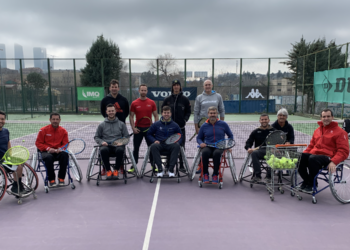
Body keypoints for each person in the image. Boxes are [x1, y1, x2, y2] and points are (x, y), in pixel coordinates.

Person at [298, 109, 349, 192]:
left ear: (332, 117)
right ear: (321, 118)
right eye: (324, 116)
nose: (326, 118)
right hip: (314, 155)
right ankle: (307, 181)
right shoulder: (317, 131)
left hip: (328, 157)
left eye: (328, 116)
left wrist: (333, 161)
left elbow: (344, 151)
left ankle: (312, 184)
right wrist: (303, 155)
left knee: (312, 158)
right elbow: (311, 146)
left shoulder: (341, 132)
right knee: (300, 158)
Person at [194, 79, 225, 173]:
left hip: (216, 124)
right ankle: (201, 165)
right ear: (203, 86)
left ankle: (216, 167)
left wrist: (221, 124)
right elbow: (196, 113)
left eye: (209, 85)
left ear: (212, 86)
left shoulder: (218, 96)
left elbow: (222, 110)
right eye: (206, 85)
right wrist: (196, 127)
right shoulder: (199, 97)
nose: (207, 86)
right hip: (203, 125)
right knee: (203, 146)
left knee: (216, 145)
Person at [197, 107, 233, 184]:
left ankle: (215, 174)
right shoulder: (204, 126)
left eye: (214, 113)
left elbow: (230, 136)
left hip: (220, 146)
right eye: (211, 113)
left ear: (217, 114)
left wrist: (229, 146)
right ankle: (205, 173)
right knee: (205, 153)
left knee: (216, 153)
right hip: (208, 146)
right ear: (208, 114)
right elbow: (199, 138)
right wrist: (201, 143)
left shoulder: (223, 124)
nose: (213, 115)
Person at [162, 80, 191, 170]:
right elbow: (163, 110)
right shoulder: (167, 99)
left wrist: (185, 120)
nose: (176, 87)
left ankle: (182, 165)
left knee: (181, 146)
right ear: (172, 87)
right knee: (169, 145)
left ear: (180, 87)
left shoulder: (185, 99)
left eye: (177, 85)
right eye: (174, 85)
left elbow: (188, 111)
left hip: (181, 128)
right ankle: (168, 164)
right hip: (169, 129)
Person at [94, 104, 129, 180]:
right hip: (106, 146)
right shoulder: (101, 125)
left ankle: (116, 170)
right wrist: (102, 142)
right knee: (103, 150)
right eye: (109, 111)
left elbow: (126, 137)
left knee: (120, 150)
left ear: (115, 111)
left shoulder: (121, 124)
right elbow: (97, 137)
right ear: (106, 112)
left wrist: (121, 142)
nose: (111, 112)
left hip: (118, 146)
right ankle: (108, 170)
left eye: (112, 111)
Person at [146, 106, 183, 178]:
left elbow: (180, 135)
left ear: (171, 114)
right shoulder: (156, 124)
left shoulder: (175, 125)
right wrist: (154, 140)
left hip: (171, 145)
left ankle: (171, 169)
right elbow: (149, 134)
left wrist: (177, 142)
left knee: (177, 146)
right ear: (162, 113)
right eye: (165, 113)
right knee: (153, 146)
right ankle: (160, 169)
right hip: (159, 145)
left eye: (168, 113)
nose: (166, 114)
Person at [129, 84, 158, 171]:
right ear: (139, 91)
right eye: (142, 90)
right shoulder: (134, 103)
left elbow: (156, 116)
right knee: (136, 148)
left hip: (149, 130)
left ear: (147, 91)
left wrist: (154, 128)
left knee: (151, 148)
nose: (143, 92)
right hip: (138, 129)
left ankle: (153, 165)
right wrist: (133, 128)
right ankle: (134, 165)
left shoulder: (152, 102)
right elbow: (131, 116)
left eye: (145, 90)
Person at [35, 112, 69, 186]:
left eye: (57, 119)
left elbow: (66, 144)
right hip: (46, 152)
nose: (55, 121)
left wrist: (61, 149)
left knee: (65, 155)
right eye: (53, 119)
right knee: (49, 157)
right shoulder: (43, 130)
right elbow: (38, 143)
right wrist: (48, 149)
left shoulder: (64, 131)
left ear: (60, 120)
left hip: (58, 151)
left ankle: (61, 178)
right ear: (50, 120)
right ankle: (51, 179)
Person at [245, 114, 276, 183]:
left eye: (265, 119)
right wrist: (248, 148)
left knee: (275, 154)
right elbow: (248, 142)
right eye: (262, 119)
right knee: (254, 153)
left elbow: (279, 142)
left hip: (271, 151)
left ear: (268, 120)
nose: (264, 121)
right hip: (259, 151)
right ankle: (257, 175)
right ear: (260, 121)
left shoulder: (274, 131)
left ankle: (269, 176)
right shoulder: (255, 131)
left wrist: (275, 148)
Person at [0, 111, 26, 194]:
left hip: (5, 159)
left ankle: (16, 185)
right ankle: (17, 185)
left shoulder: (5, 131)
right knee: (17, 165)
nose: (1, 121)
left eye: (2, 119)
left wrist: (10, 156)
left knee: (20, 162)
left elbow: (8, 143)